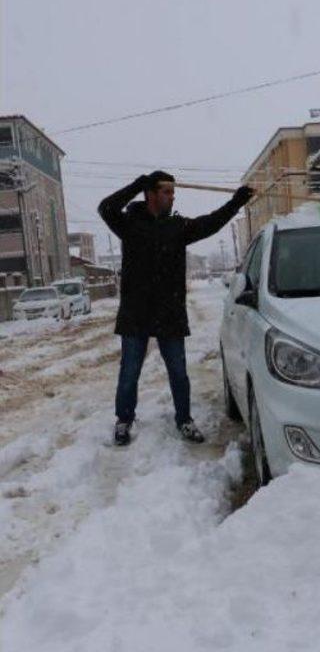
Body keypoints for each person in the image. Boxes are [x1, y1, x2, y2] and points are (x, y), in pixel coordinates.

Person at [98, 171, 253, 446]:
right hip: (136, 311)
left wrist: (236, 202)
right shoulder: (129, 224)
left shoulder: (177, 227)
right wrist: (136, 184)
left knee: (179, 372)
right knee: (129, 371)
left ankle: (184, 420)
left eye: (173, 192)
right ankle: (124, 420)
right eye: (166, 192)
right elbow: (105, 208)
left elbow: (212, 223)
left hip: (169, 311)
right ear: (151, 194)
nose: (172, 196)